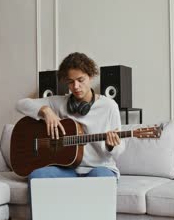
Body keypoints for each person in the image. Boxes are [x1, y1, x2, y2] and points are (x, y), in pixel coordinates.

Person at [16, 52, 124, 181]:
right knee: (37, 177)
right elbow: (20, 104)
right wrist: (46, 111)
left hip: (99, 168)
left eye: (80, 80)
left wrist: (111, 145)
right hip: (67, 169)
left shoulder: (109, 106)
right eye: (71, 82)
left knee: (102, 177)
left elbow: (118, 152)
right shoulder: (59, 103)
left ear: (90, 76)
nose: (76, 86)